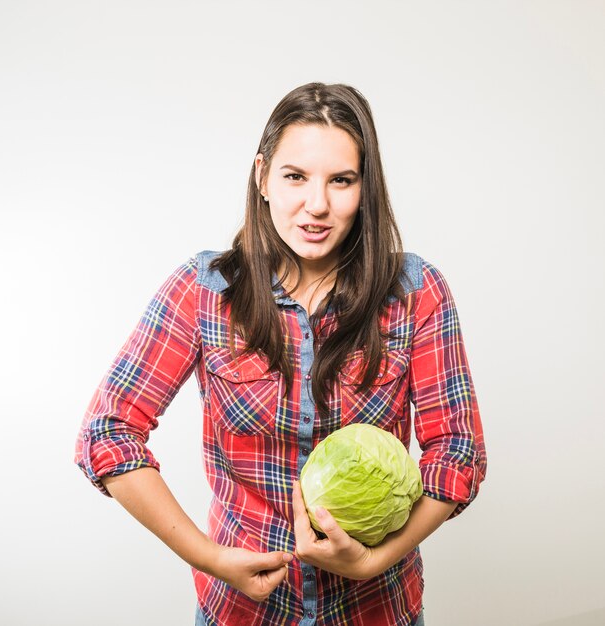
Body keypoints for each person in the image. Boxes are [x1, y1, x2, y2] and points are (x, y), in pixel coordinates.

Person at [74, 82, 486, 626]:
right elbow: (106, 432)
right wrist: (211, 558)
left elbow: (458, 452)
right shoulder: (204, 291)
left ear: (366, 187)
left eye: (341, 180)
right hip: (242, 611)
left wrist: (373, 561)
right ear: (262, 175)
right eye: (295, 176)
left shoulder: (415, 291)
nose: (317, 205)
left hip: (376, 607)